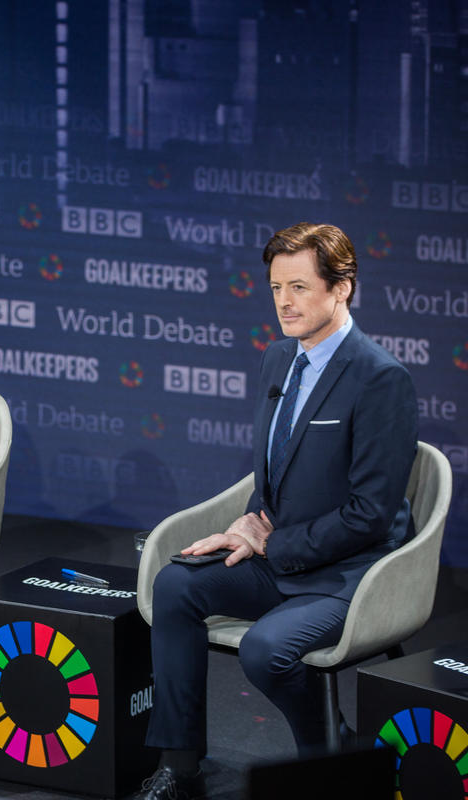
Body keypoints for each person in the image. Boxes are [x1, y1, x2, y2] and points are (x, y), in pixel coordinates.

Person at [135, 222, 418, 799]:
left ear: (342, 288)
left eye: (299, 287)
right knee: (176, 587)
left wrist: (271, 543)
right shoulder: (277, 359)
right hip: (279, 557)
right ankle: (180, 767)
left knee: (268, 649)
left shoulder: (381, 378)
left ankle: (331, 754)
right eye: (275, 288)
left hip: (349, 575)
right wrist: (246, 525)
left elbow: (369, 515)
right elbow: (277, 466)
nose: (284, 303)